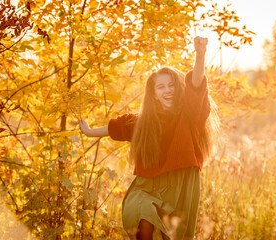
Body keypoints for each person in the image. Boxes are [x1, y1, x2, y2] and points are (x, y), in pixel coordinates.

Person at [79, 36, 212, 240]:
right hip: (148, 186)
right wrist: (89, 131)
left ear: (179, 87)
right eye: (161, 87)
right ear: (154, 94)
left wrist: (200, 54)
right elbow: (116, 128)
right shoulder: (145, 122)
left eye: (171, 85)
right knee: (142, 220)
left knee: (173, 235)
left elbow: (196, 85)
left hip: (181, 186)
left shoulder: (190, 114)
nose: (167, 90)